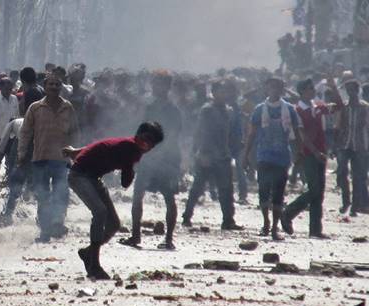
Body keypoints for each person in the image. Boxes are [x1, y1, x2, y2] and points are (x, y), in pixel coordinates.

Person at [64, 122, 165, 279]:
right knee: (100, 212)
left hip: (93, 178)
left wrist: (76, 151)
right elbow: (125, 182)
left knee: (114, 224)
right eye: (146, 140)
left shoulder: (130, 146)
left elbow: (100, 146)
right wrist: (132, 168)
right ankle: (94, 265)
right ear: (139, 135)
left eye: (151, 144)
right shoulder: (131, 148)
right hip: (79, 176)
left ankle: (88, 253)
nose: (147, 145)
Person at [121, 71, 182, 250]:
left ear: (167, 87)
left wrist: (159, 153)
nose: (156, 87)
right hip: (148, 158)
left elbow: (173, 135)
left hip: (167, 159)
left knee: (169, 198)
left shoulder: (173, 111)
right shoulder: (149, 107)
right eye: (155, 84)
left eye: (160, 84)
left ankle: (169, 239)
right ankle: (135, 236)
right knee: (137, 195)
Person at [18, 73, 80, 242]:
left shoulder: (67, 107)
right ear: (44, 87)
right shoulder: (35, 108)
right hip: (41, 158)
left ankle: (58, 223)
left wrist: (75, 153)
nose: (54, 87)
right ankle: (45, 230)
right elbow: (25, 133)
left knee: (61, 193)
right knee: (43, 195)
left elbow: (75, 132)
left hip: (62, 159)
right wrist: (22, 153)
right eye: (50, 84)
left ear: (61, 87)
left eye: (57, 85)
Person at [242, 77, 303, 241]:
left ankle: (275, 227)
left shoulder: (289, 109)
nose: (274, 90)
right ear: (267, 89)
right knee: (263, 190)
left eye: (277, 88)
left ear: (281, 90)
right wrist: (246, 154)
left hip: (282, 157)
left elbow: (297, 133)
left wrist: (299, 152)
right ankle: (266, 222)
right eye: (271, 87)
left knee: (278, 193)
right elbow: (252, 133)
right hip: (263, 156)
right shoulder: (259, 109)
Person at [281, 77, 340, 239]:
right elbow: (303, 135)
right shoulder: (297, 110)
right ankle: (288, 212)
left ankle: (315, 229)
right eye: (309, 88)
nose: (312, 91)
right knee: (314, 190)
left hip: (320, 152)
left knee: (318, 192)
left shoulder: (318, 107)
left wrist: (334, 87)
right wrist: (315, 152)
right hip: (308, 154)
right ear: (302, 92)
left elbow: (339, 106)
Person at [182, 80, 243, 230]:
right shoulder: (207, 110)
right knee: (198, 187)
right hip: (207, 154)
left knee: (226, 189)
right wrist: (201, 153)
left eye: (225, 91)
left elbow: (230, 134)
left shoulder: (228, 110)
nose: (224, 94)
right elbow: (202, 132)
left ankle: (228, 220)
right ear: (214, 93)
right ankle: (186, 216)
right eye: (221, 91)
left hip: (223, 155)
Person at [336, 80, 369, 215]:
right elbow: (338, 126)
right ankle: (346, 201)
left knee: (357, 177)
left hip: (360, 145)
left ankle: (355, 206)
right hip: (344, 144)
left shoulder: (365, 107)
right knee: (341, 173)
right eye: (348, 90)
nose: (350, 93)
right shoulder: (344, 107)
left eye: (352, 90)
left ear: (357, 91)